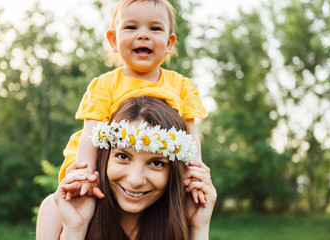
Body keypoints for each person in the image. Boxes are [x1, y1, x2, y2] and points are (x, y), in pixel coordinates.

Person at [61, 0, 207, 203]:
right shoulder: (105, 84)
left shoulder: (182, 86)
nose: (144, 34)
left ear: (169, 43)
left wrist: (194, 170)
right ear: (113, 40)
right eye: (131, 27)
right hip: (107, 170)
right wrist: (86, 174)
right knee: (55, 205)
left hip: (156, 172)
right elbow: (90, 133)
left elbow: (190, 136)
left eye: (155, 28)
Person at [36, 96, 216, 240]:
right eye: (123, 156)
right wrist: (75, 230)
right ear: (104, 157)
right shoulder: (57, 212)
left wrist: (198, 230)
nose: (135, 180)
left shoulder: (185, 217)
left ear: (176, 171)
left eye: (156, 163)